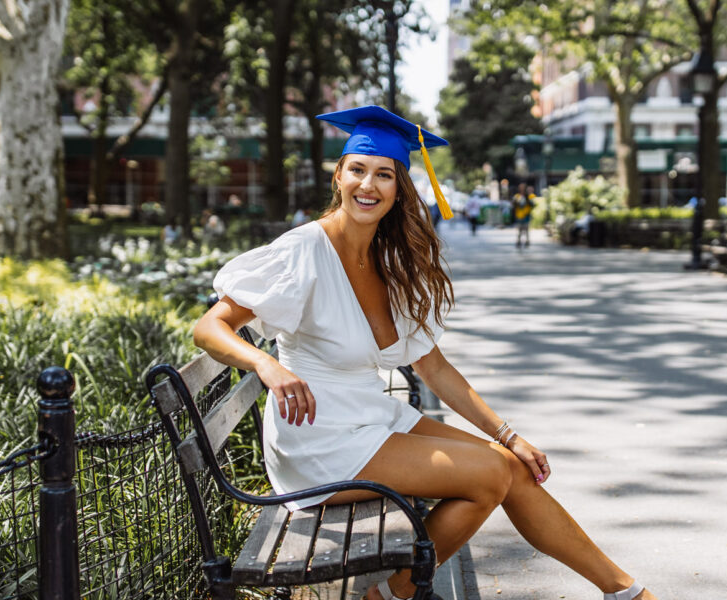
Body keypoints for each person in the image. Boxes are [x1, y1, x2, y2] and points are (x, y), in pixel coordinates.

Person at [193, 106, 657, 600]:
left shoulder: (387, 260)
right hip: (319, 439)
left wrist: (510, 434)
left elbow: (433, 366)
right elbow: (208, 328)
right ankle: (393, 595)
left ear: (399, 189)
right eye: (358, 170)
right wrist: (265, 363)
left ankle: (625, 591)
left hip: (367, 415)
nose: (368, 185)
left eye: (384, 174)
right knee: (491, 474)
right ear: (339, 175)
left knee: (512, 466)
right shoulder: (303, 250)